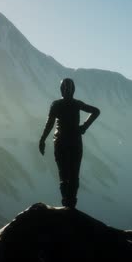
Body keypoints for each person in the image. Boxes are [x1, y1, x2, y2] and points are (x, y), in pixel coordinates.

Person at [39, 78, 100, 209]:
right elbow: (96, 111)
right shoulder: (76, 104)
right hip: (75, 141)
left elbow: (49, 124)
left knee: (63, 173)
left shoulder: (56, 105)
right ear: (74, 90)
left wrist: (43, 139)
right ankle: (71, 203)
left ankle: (66, 202)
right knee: (74, 173)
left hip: (60, 141)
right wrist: (83, 127)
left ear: (61, 90)